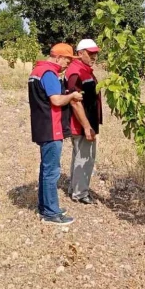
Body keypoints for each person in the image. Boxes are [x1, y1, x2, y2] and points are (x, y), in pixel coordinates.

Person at [28, 43, 83, 225]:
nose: (68, 64)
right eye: (67, 59)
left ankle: (45, 207)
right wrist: (73, 96)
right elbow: (56, 100)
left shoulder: (37, 71)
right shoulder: (49, 73)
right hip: (52, 128)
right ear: (58, 57)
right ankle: (51, 213)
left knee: (46, 169)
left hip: (41, 126)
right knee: (52, 171)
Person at [66, 39, 102, 204]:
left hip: (86, 122)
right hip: (81, 123)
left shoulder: (84, 69)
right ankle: (80, 194)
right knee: (85, 158)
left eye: (95, 52)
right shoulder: (76, 72)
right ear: (80, 53)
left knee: (79, 155)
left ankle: (75, 189)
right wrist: (87, 127)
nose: (94, 56)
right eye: (90, 53)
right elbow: (74, 101)